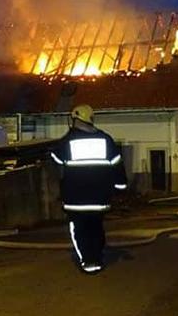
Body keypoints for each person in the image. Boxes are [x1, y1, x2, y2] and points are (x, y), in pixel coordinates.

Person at [51, 104, 127, 274]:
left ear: (75, 119)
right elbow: (117, 164)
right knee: (96, 227)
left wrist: (69, 135)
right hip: (99, 197)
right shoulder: (105, 139)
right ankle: (97, 257)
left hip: (76, 198)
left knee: (79, 230)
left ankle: (88, 260)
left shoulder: (69, 140)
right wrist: (120, 186)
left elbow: (56, 157)